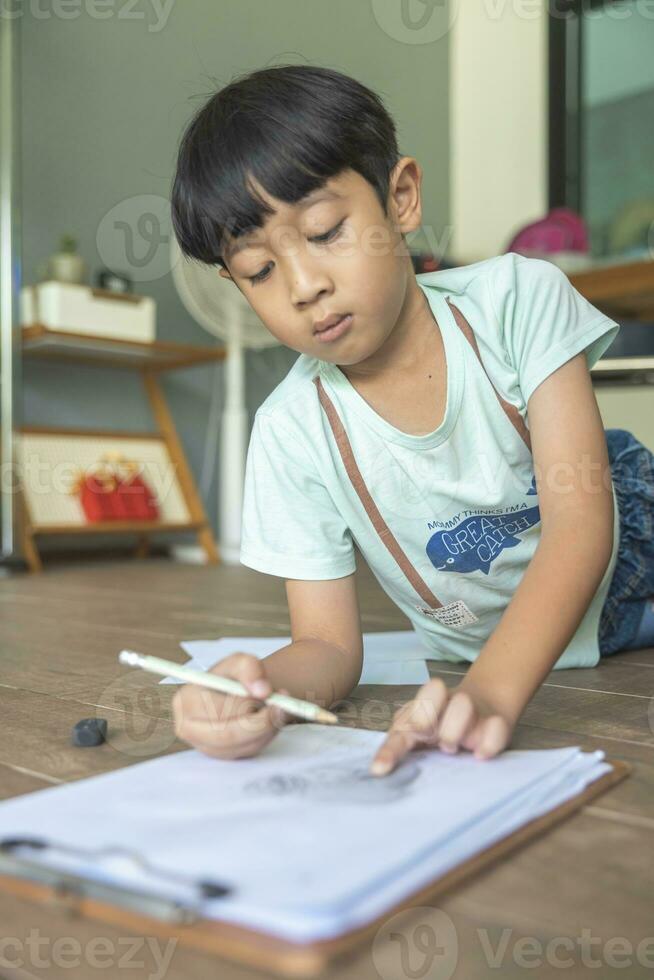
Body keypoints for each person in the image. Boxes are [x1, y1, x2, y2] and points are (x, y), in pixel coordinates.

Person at [169, 64, 654, 775]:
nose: (306, 287)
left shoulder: (519, 299)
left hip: (629, 556)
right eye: (260, 271)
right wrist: (265, 691)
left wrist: (488, 693)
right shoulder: (289, 431)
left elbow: (582, 526)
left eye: (327, 231)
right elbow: (328, 648)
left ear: (401, 198)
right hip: (493, 642)